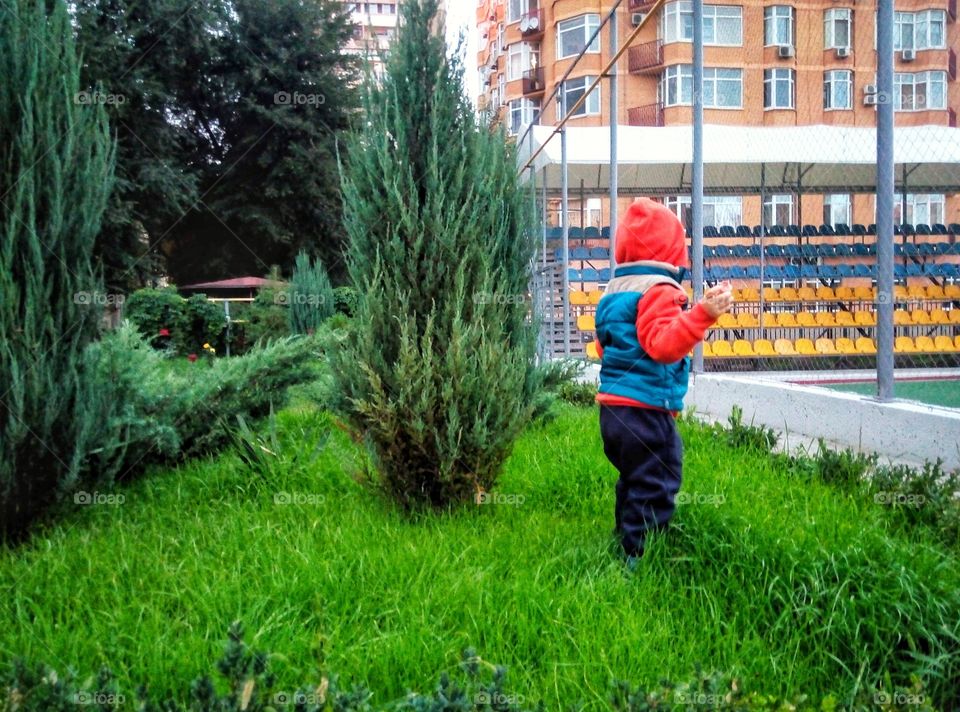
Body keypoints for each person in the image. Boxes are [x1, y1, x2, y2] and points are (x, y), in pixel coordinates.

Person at [594, 198, 733, 563]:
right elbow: (663, 346)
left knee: (633, 478)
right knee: (658, 478)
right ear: (674, 252)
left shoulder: (613, 290)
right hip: (645, 410)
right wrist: (701, 315)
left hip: (612, 412)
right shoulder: (660, 289)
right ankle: (639, 556)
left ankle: (622, 538)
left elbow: (601, 345)